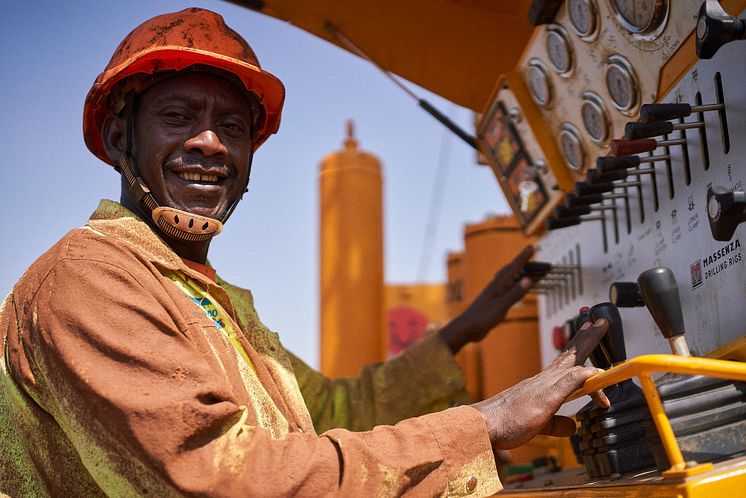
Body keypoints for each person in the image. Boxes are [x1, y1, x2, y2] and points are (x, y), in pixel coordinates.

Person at [0, 8, 609, 497]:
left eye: (232, 127)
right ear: (117, 138)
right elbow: (220, 478)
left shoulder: (203, 298)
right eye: (179, 117)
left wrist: (465, 330)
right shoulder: (89, 281)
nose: (210, 143)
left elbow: (337, 409)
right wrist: (485, 423)